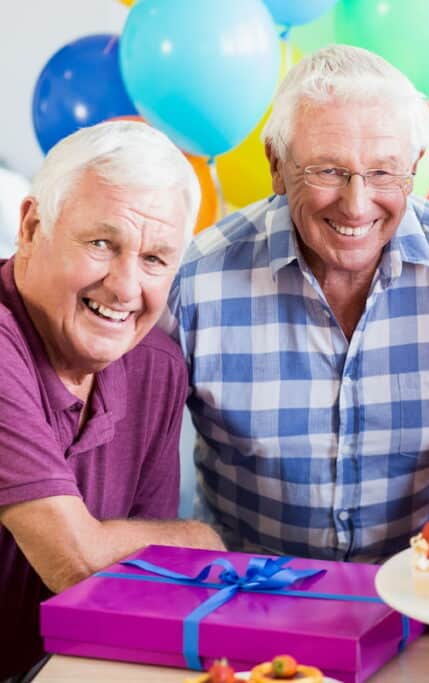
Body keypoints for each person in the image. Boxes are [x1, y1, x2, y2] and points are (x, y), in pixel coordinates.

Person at [165, 45, 429, 563]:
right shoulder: (199, 280)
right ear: (276, 164)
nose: (357, 204)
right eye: (328, 171)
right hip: (249, 593)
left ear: (416, 166)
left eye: (383, 173)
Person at [0, 121, 225, 682]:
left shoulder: (156, 365)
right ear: (31, 227)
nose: (126, 288)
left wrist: (179, 549)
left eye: (155, 259)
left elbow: (150, 586)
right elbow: (75, 561)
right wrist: (200, 538)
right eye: (102, 243)